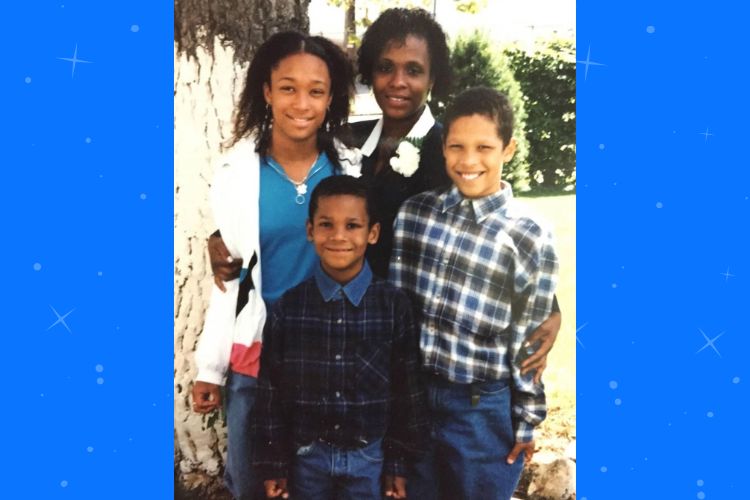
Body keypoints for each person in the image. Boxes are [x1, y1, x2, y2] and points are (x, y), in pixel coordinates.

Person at [208, 7, 561, 381]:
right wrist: (223, 238)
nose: (397, 81)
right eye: (385, 67)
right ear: (369, 73)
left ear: (432, 78)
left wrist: (550, 308)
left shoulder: (452, 153)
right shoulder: (345, 141)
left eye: (413, 70)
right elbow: (292, 201)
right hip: (338, 332)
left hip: (413, 342)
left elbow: (497, 227)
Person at [190, 31, 359, 500]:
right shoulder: (237, 174)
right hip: (257, 359)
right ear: (266, 91)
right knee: (253, 483)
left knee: (321, 484)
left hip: (332, 360)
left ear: (331, 99)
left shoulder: (350, 169)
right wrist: (211, 366)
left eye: (316, 90)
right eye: (287, 87)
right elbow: (232, 277)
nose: (301, 103)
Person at [389, 87, 559, 500]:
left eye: (484, 147)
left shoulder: (529, 235)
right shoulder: (414, 215)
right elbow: (395, 316)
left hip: (481, 409)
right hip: (415, 400)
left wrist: (526, 421)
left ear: (509, 148)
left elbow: (529, 344)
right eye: (456, 147)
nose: (468, 161)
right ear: (443, 148)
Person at [253, 175, 428, 500]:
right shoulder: (288, 308)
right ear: (310, 231)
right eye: (326, 224)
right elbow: (270, 392)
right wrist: (273, 463)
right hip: (306, 458)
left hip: (370, 460)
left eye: (352, 226)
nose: (338, 236)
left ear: (372, 233)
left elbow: (408, 392)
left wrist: (398, 463)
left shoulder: (393, 306)